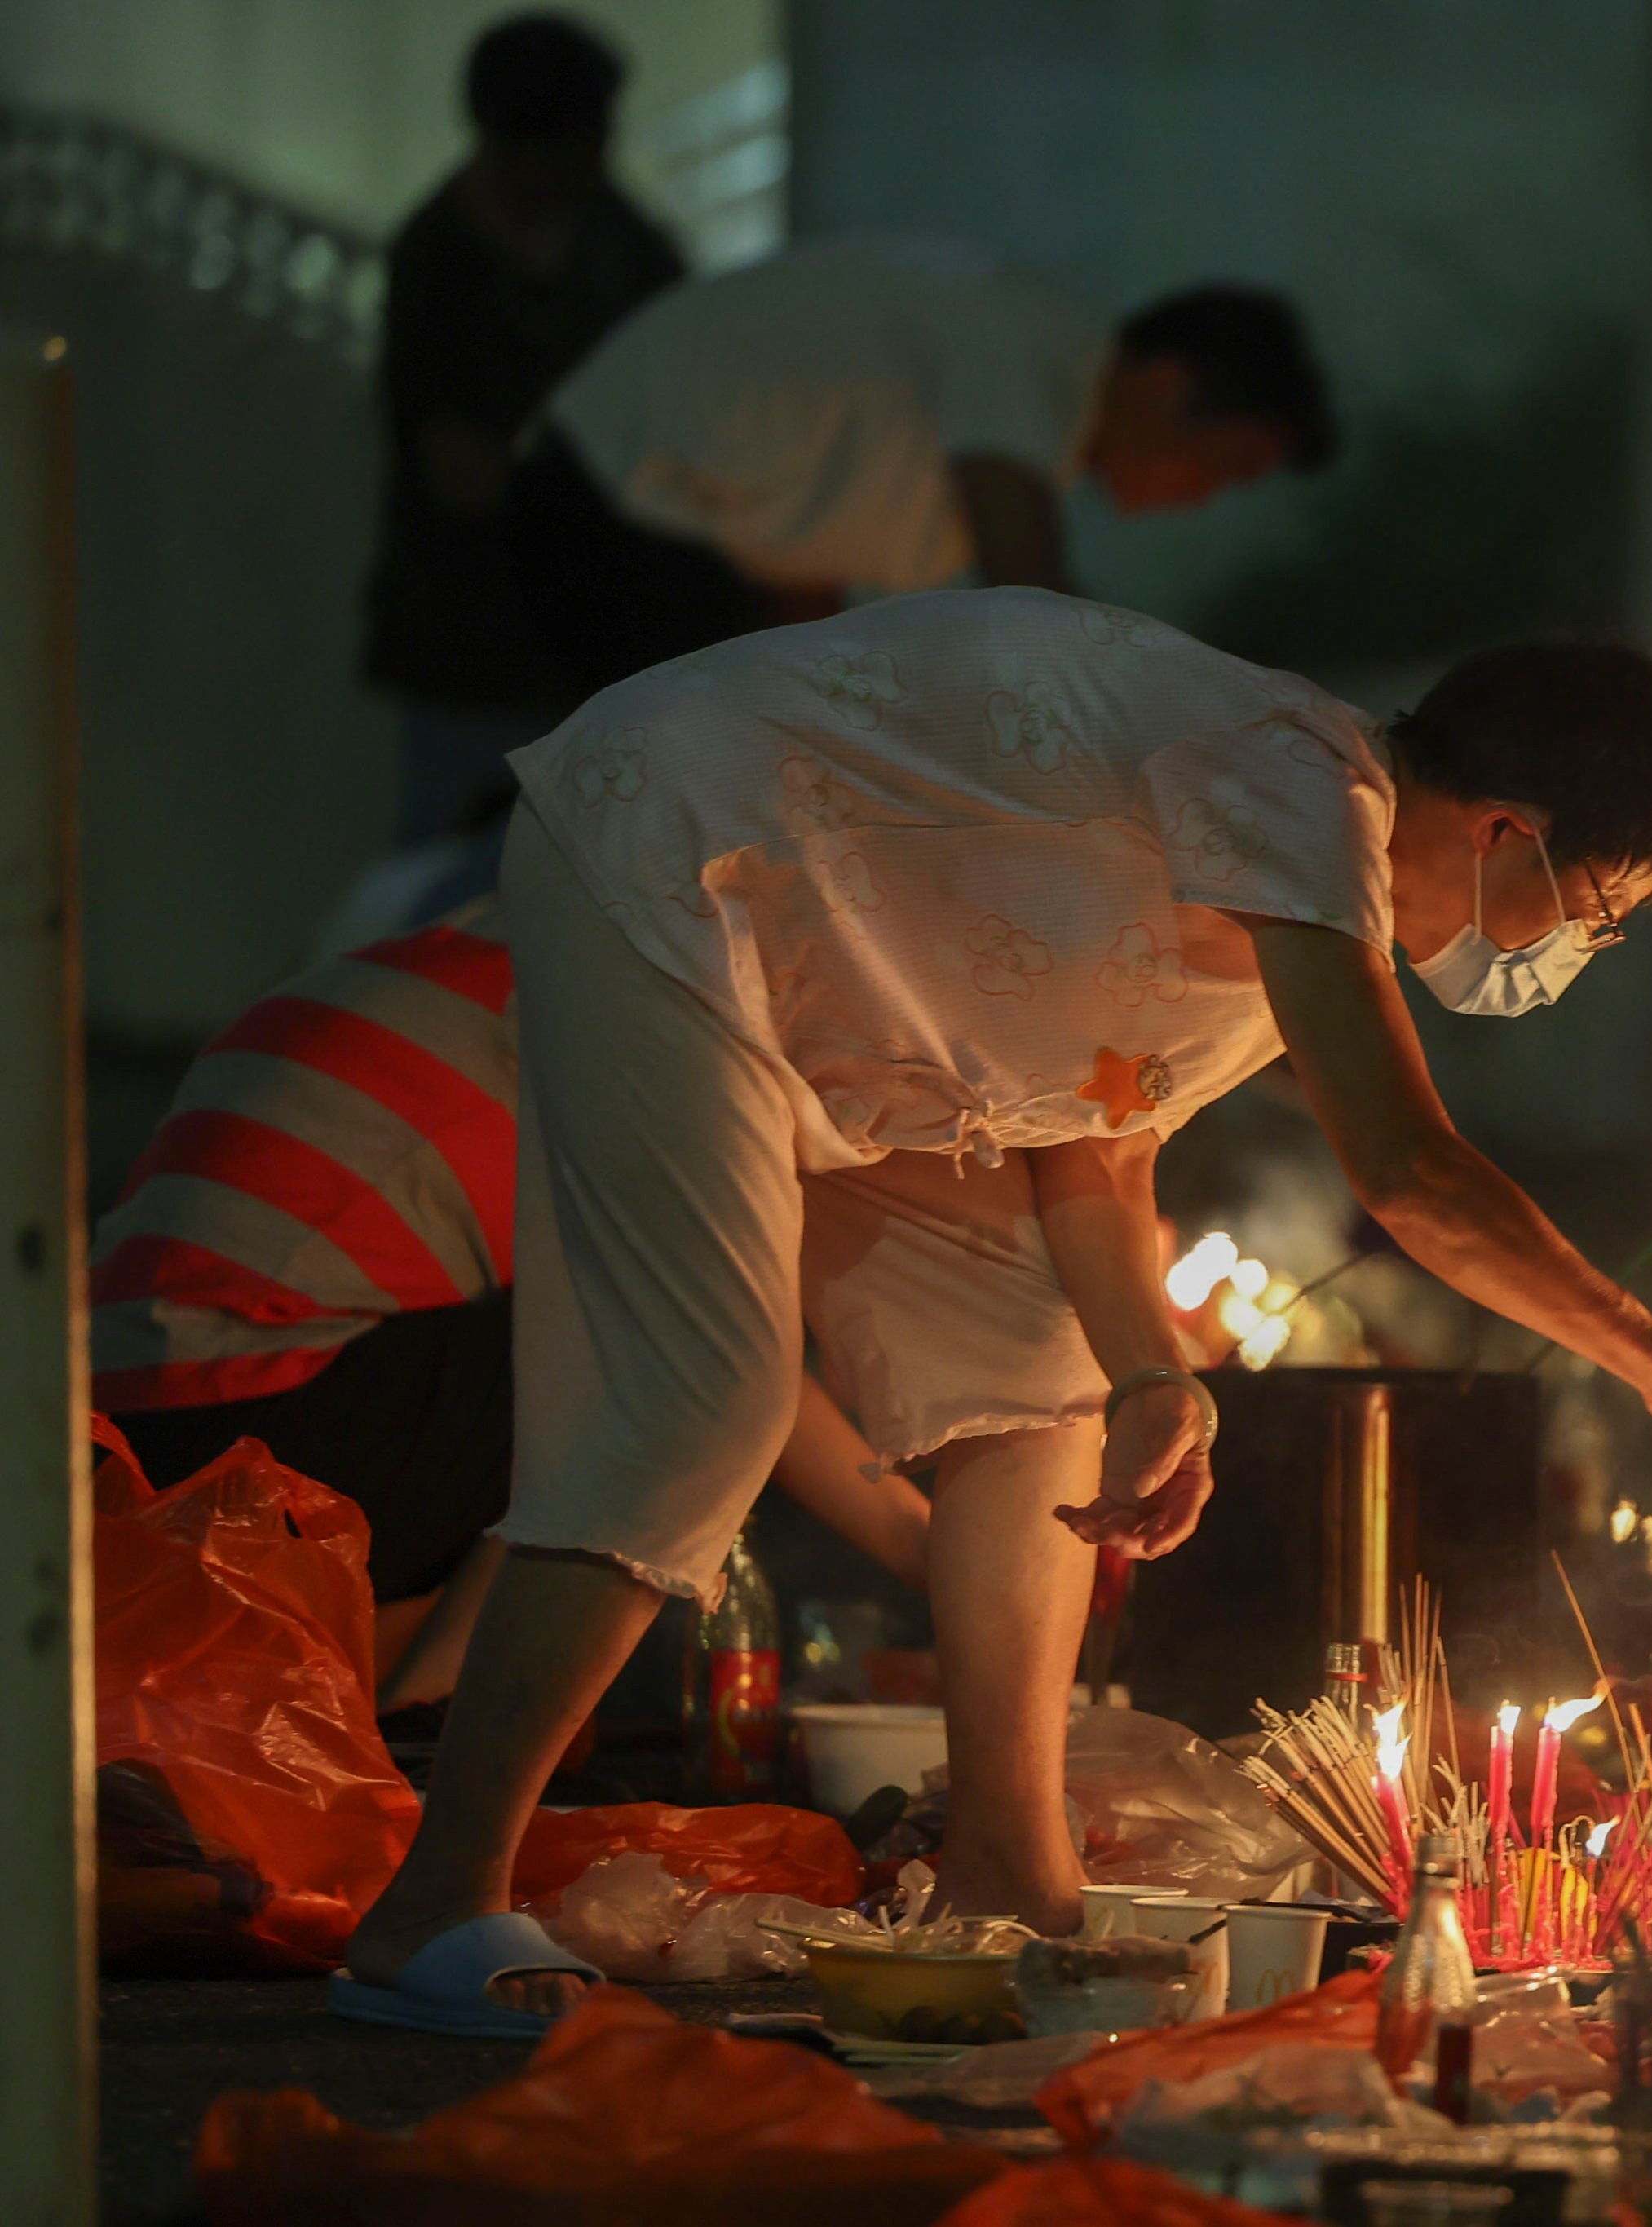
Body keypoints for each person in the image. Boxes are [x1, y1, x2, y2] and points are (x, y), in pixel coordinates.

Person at [333, 590, 1652, 2035]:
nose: (1575, 960)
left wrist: (1151, 1370)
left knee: (1044, 1386)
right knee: (701, 1406)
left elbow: (1089, 1130)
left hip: (856, 1008)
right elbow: (1413, 1173)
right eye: (1596, 916)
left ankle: (1009, 1873)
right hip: (673, 852)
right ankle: (437, 1901)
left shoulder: (1283, 922)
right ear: (1505, 835)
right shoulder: (1302, 785)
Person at [88, 901, 931, 1712]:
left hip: (122, 1428)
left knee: (606, 1343)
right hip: (241, 1424)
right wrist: (919, 1543)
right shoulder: (643, 1011)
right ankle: (446, 1723)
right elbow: (720, 1350)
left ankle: (420, 1726)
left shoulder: (521, 940)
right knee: (655, 1363)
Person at [506, 246, 1335, 699]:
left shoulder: (1014, 421)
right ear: (1166, 384)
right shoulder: (1034, 348)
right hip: (607, 497)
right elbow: (1034, 597)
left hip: (647, 521)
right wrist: (1181, 709)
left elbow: (807, 589)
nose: (1203, 497)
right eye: (1224, 468)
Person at [360, 14, 684, 846]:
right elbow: (456, 469)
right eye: (583, 136)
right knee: (446, 878)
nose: (600, 153)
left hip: (598, 633)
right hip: (471, 640)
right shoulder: (438, 261)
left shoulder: (628, 247)